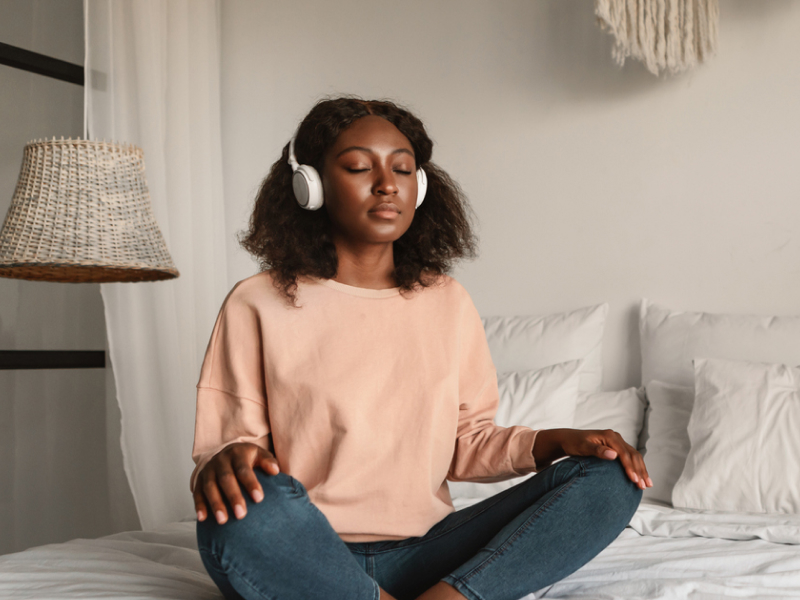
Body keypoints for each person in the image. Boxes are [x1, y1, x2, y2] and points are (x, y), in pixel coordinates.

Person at [191, 96, 650, 600]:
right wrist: (226, 461)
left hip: (428, 550)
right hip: (309, 552)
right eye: (359, 166)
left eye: (404, 169)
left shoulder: (447, 302)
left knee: (613, 476)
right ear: (311, 186)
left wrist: (556, 441)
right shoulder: (257, 302)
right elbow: (236, 453)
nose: (387, 183)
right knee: (239, 514)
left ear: (421, 185)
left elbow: (467, 443)